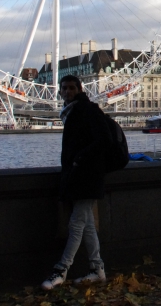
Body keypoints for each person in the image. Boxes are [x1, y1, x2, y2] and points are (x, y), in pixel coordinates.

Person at [42, 75, 112, 290]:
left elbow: (104, 140)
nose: (68, 91)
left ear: (80, 89)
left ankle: (60, 271)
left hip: (87, 177)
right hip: (78, 177)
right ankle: (97, 269)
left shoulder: (87, 110)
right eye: (64, 88)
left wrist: (80, 159)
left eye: (72, 88)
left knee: (75, 225)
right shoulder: (72, 112)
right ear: (60, 91)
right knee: (88, 226)